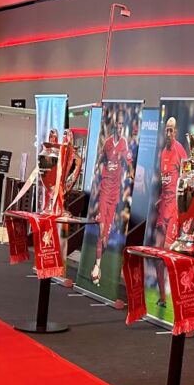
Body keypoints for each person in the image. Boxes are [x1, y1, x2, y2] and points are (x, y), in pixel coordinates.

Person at [90, 108, 133, 285]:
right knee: (101, 231)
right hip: (104, 191)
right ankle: (97, 266)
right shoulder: (107, 143)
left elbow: (129, 162)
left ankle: (101, 254)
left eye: (123, 124)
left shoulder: (124, 144)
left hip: (114, 195)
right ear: (115, 125)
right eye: (119, 123)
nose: (120, 127)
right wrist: (95, 169)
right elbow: (101, 158)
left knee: (105, 237)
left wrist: (131, 173)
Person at [152, 117, 188, 307]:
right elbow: (164, 181)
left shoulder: (179, 150)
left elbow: (187, 176)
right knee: (157, 254)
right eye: (166, 129)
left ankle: (176, 295)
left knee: (167, 253)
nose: (168, 133)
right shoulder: (162, 153)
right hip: (162, 208)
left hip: (174, 209)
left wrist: (182, 203)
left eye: (171, 130)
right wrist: (159, 198)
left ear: (176, 132)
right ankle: (162, 298)